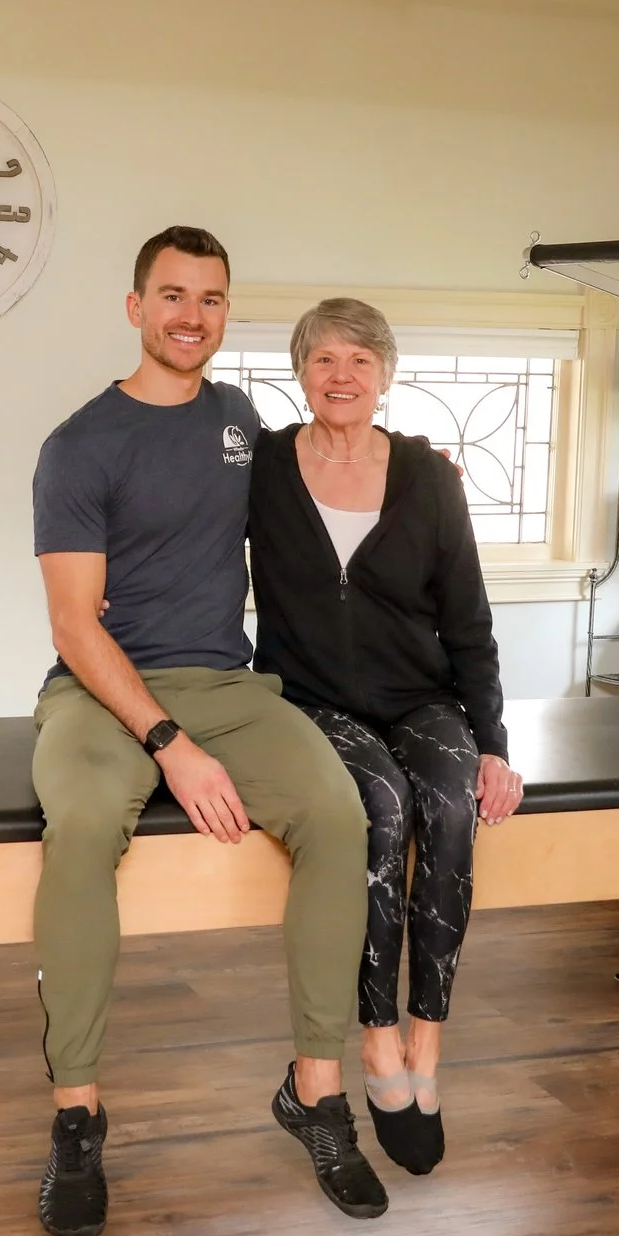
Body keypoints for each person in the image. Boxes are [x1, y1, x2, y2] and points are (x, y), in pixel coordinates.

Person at [27, 227, 384, 1236]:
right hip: (102, 690)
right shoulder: (80, 443)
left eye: (212, 298)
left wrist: (398, 461)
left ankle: (316, 1090)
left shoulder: (239, 416)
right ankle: (76, 1113)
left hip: (228, 683)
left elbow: (322, 473)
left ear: (226, 314)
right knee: (89, 819)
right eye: (173, 294)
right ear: (134, 306)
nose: (192, 314)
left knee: (335, 811)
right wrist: (168, 743)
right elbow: (72, 623)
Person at [246, 297, 526, 1177]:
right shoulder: (261, 467)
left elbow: (470, 619)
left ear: (386, 376)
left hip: (421, 695)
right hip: (311, 698)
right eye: (324, 358)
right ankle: (375, 1041)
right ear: (301, 371)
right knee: (380, 804)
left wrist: (492, 743)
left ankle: (428, 1044)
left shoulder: (428, 478)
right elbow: (181, 533)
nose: (342, 376)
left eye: (360, 361)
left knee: (448, 805)